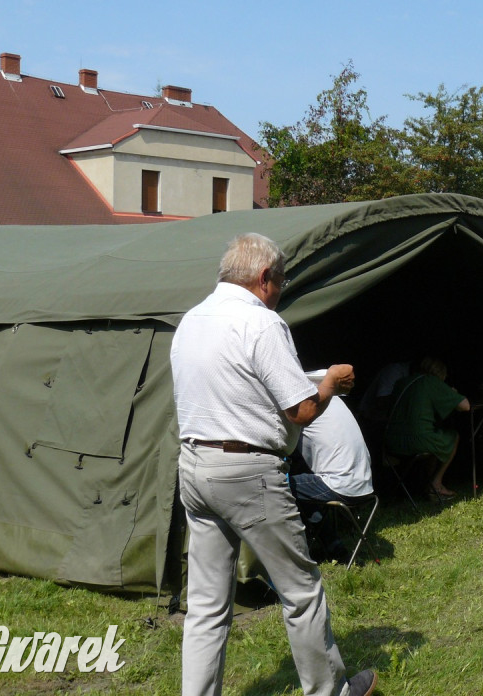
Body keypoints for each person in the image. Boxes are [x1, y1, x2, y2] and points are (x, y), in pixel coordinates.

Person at [171, 233, 377, 696]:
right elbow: (301, 410)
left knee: (205, 606)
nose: (279, 293)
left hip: (194, 463)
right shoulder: (261, 324)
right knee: (301, 592)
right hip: (248, 472)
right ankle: (331, 692)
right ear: (265, 278)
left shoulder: (191, 320)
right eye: (281, 284)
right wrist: (331, 384)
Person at [289, 394, 375, 563]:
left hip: (339, 486)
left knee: (273, 485)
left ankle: (292, 555)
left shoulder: (302, 406)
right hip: (364, 484)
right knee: (301, 485)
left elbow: (281, 445)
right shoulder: (334, 399)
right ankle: (333, 547)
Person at [384, 356, 470, 500]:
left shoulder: (402, 382)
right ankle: (435, 484)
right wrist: (451, 393)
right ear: (441, 373)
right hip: (418, 441)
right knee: (452, 437)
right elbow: (465, 406)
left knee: (435, 436)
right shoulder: (431, 381)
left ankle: (420, 485)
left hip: (391, 442)